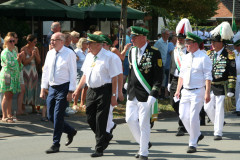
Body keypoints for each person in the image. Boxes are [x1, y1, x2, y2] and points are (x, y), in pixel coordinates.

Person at [72, 33, 120, 157]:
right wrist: (77, 90)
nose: (88, 46)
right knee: (89, 117)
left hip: (105, 90)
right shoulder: (89, 56)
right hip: (91, 90)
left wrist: (114, 95)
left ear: (98, 45)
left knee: (101, 119)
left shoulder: (109, 57)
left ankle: (99, 148)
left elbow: (114, 78)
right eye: (87, 43)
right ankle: (105, 136)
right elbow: (84, 75)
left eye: (90, 44)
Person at [126, 26, 163, 160]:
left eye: (134, 37)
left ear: (143, 37)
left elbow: (158, 76)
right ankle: (144, 143)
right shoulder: (131, 51)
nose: (132, 39)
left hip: (146, 94)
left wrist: (154, 93)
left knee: (143, 123)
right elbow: (131, 71)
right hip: (132, 92)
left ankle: (143, 152)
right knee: (129, 119)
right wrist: (127, 85)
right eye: (132, 36)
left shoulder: (154, 52)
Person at [175, 32, 212, 153]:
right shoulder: (186, 57)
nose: (186, 45)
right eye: (186, 43)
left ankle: (193, 143)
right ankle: (197, 134)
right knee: (183, 116)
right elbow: (181, 75)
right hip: (185, 91)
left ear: (195, 44)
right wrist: (177, 90)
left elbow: (208, 77)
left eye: (188, 43)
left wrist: (207, 93)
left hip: (198, 91)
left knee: (193, 117)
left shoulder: (204, 57)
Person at [40, 32, 77, 154]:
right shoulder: (50, 53)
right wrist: (43, 88)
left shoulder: (69, 53)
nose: (51, 42)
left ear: (61, 41)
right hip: (52, 87)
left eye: (54, 40)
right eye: (51, 39)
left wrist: (71, 91)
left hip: (64, 87)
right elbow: (46, 71)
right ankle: (70, 130)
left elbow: (73, 73)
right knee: (50, 116)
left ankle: (56, 143)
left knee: (58, 116)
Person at [204, 22, 236, 140]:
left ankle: (218, 132)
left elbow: (232, 73)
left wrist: (231, 89)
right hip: (211, 86)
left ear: (221, 42)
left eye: (214, 42)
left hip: (223, 86)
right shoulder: (209, 54)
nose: (212, 44)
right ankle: (219, 123)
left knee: (219, 109)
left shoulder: (229, 55)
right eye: (211, 42)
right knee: (207, 107)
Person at [168, 18, 192, 136]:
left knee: (183, 103)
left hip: (186, 80)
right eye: (179, 38)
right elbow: (171, 66)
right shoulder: (174, 51)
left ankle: (182, 126)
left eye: (182, 38)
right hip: (174, 79)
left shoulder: (189, 51)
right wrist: (168, 82)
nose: (180, 40)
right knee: (173, 102)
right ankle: (184, 120)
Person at [99, 34, 124, 135]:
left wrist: (120, 92)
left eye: (101, 44)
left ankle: (106, 133)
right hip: (100, 89)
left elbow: (120, 75)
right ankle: (110, 126)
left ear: (106, 45)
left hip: (112, 89)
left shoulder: (114, 58)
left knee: (108, 111)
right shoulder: (98, 57)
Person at [0, 34, 24, 123]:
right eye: (10, 41)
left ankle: (9, 114)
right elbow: (9, 64)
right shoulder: (5, 52)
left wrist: (20, 60)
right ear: (6, 43)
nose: (13, 43)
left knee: (10, 96)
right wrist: (17, 59)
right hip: (7, 76)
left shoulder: (14, 51)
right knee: (6, 96)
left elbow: (19, 65)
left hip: (13, 76)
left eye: (13, 41)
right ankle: (4, 116)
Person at [21, 34, 41, 113]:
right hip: (26, 71)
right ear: (29, 42)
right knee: (25, 89)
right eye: (34, 42)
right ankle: (23, 108)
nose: (36, 43)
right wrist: (32, 56)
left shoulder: (36, 48)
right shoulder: (23, 49)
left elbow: (39, 61)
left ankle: (33, 108)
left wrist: (36, 55)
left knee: (34, 89)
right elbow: (24, 63)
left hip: (33, 71)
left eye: (36, 42)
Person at [72, 38, 88, 111]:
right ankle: (74, 104)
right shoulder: (76, 51)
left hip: (86, 70)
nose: (87, 44)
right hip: (79, 70)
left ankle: (82, 103)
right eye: (86, 43)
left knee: (86, 87)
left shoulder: (87, 51)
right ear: (82, 44)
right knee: (79, 87)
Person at [154, 28, 169, 99]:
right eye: (166, 34)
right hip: (159, 63)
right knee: (160, 78)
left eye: (168, 34)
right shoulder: (159, 42)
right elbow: (154, 51)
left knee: (164, 78)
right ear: (163, 34)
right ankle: (159, 94)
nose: (168, 36)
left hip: (165, 63)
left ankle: (162, 94)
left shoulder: (167, 42)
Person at [233, 31, 240, 116]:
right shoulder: (234, 53)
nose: (236, 48)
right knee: (236, 93)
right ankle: (237, 107)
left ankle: (239, 108)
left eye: (237, 46)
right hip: (235, 76)